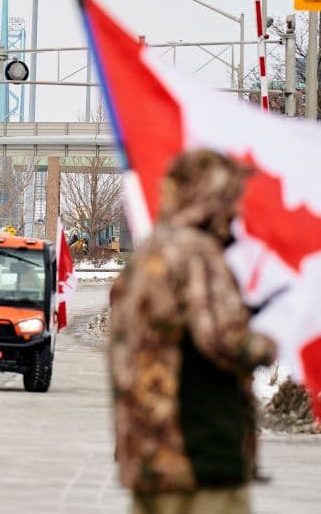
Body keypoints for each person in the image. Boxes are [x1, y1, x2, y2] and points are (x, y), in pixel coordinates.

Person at [109, 149, 277, 514]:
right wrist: (269, 342)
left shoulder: (149, 254)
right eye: (231, 196)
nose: (237, 209)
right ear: (211, 196)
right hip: (197, 451)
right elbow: (224, 340)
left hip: (149, 453)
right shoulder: (196, 253)